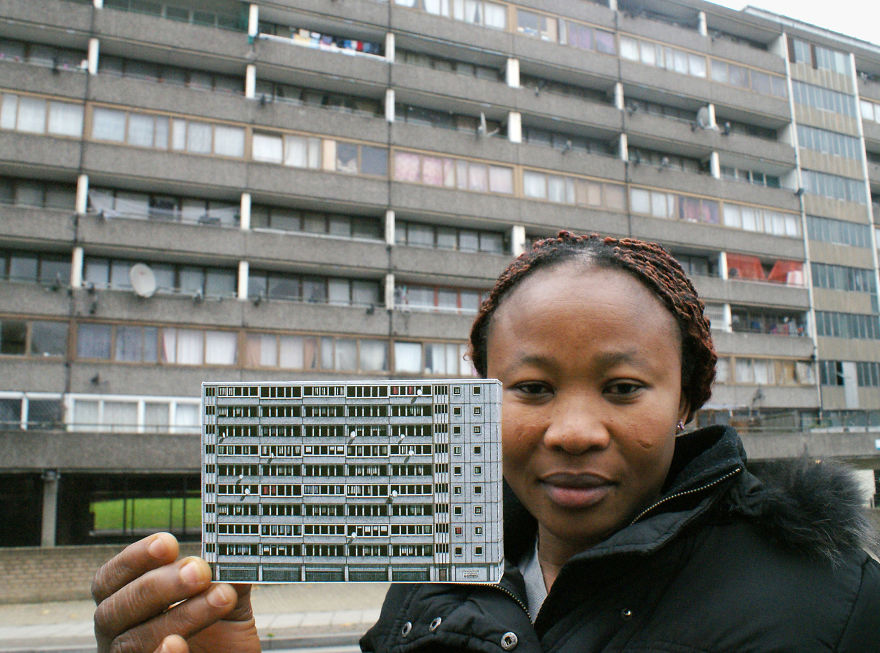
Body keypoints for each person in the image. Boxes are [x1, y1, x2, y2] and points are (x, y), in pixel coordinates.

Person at [92, 232, 880, 653]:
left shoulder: (834, 603)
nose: (572, 432)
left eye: (623, 388)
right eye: (532, 389)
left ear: (687, 401)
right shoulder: (427, 582)